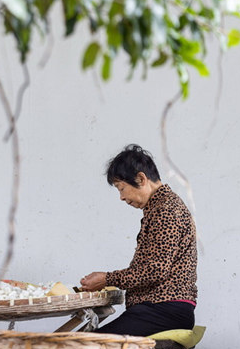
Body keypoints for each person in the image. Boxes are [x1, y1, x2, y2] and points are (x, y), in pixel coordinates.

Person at [80, 144, 197, 336]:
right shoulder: (159, 208)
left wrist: (108, 278)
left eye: (122, 188)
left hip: (165, 310)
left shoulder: (166, 210)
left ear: (141, 179)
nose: (122, 197)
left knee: (89, 344)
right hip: (158, 309)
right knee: (89, 340)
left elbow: (156, 270)